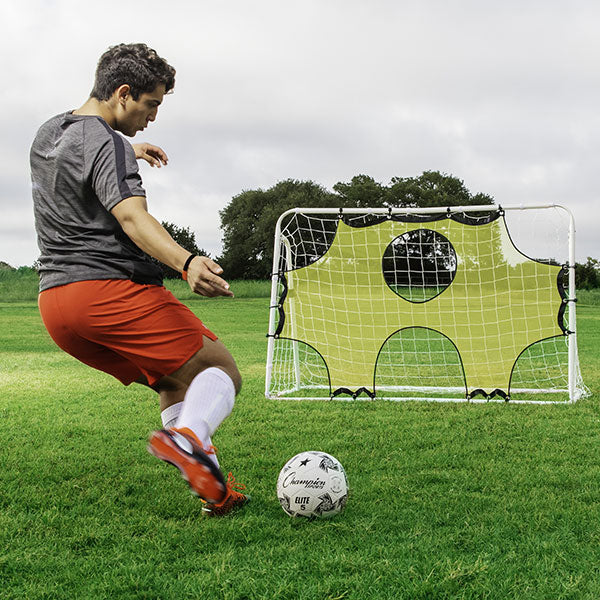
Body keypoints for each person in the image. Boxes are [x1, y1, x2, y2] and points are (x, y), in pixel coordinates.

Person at [30, 43, 248, 516]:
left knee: (173, 381)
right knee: (220, 372)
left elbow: (81, 147)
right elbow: (132, 218)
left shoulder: (49, 133)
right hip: (106, 291)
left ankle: (212, 489)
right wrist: (186, 262)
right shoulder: (107, 145)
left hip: (57, 307)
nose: (153, 117)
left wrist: (129, 144)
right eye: (151, 105)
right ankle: (188, 438)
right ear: (123, 93)